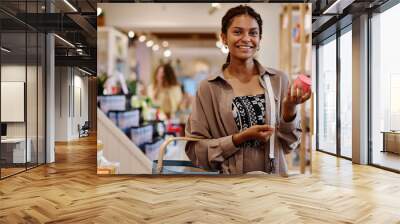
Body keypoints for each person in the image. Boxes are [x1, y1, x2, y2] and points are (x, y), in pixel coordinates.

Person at [185, 5, 311, 176]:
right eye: (237, 32)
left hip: (275, 185)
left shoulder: (279, 80)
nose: (246, 38)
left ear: (259, 40)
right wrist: (239, 139)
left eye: (253, 33)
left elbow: (289, 145)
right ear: (224, 37)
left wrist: (289, 111)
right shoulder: (209, 87)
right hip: (230, 188)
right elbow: (195, 150)